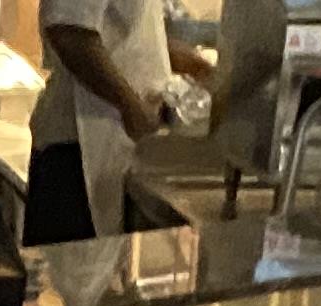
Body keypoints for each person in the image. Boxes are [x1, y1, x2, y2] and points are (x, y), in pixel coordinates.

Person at [28, 0, 210, 239]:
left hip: (110, 146)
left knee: (104, 269)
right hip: (77, 151)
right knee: (75, 272)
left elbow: (124, 35)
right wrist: (131, 107)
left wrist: (190, 62)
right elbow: (68, 32)